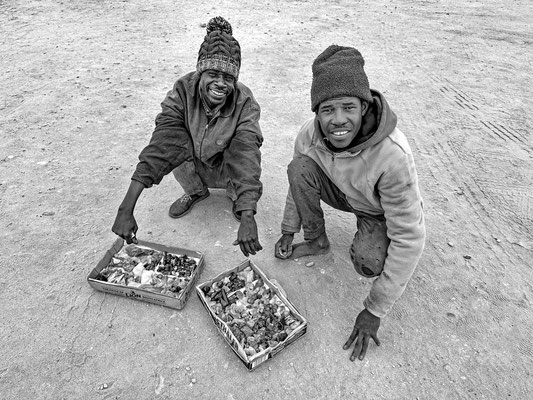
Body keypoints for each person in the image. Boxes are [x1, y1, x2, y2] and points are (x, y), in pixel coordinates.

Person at [274, 45, 426, 361]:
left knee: (367, 262)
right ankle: (317, 241)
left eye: (348, 107)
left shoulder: (392, 154)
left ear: (364, 106)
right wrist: (290, 229)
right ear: (316, 112)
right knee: (299, 167)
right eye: (328, 109)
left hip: (376, 209)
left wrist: (375, 309)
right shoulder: (309, 135)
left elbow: (410, 238)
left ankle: (370, 234)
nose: (338, 120)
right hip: (344, 192)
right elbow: (296, 182)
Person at [112, 16, 263, 257]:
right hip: (193, 159)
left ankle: (237, 198)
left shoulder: (245, 102)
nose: (221, 84)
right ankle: (196, 191)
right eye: (213, 74)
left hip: (227, 166)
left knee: (244, 171)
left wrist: (248, 214)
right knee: (175, 147)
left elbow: (245, 155)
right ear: (199, 72)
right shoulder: (182, 91)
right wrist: (126, 208)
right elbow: (163, 145)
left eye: (229, 78)